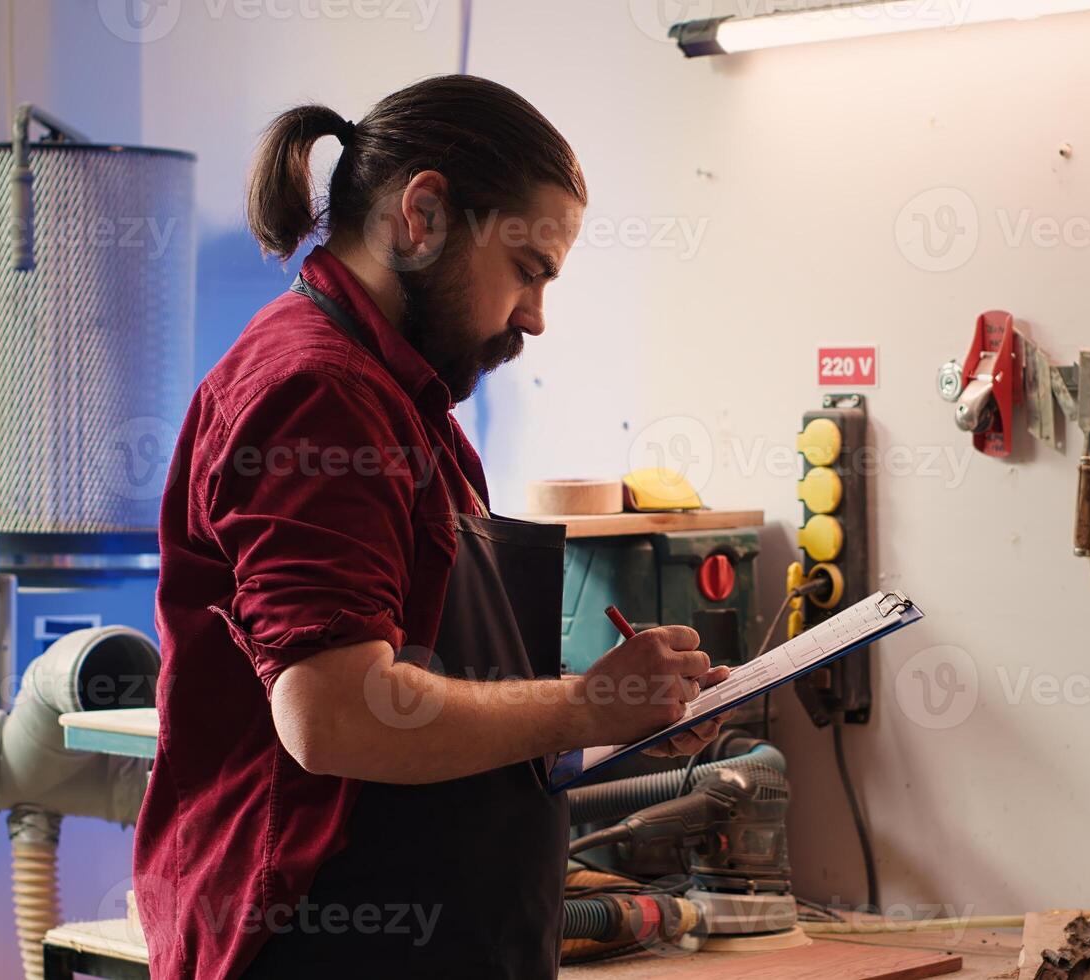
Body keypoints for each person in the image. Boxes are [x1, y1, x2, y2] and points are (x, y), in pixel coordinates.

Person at [133, 74, 728, 980]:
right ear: (424, 215)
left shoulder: (408, 408)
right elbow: (331, 714)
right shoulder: (317, 393)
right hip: (323, 943)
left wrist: (620, 719)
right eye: (528, 270)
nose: (534, 315)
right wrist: (585, 703)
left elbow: (437, 694)